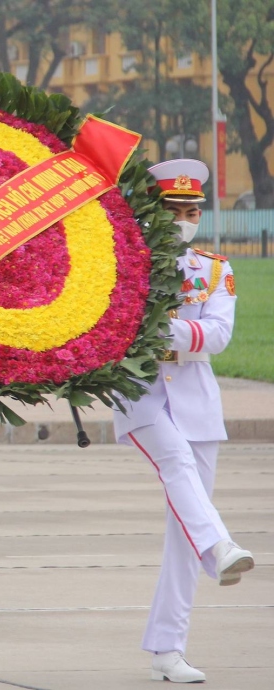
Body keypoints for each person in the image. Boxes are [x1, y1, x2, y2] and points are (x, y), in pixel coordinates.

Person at [113, 159, 254, 684]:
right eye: (172, 210)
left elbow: (217, 336)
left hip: (197, 403)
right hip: (142, 397)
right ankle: (220, 549)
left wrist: (159, 328)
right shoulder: (127, 265)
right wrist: (167, 331)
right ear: (153, 211)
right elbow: (117, 332)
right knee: (174, 464)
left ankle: (166, 650)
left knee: (182, 531)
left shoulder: (215, 269)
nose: (183, 219)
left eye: (191, 210)